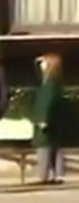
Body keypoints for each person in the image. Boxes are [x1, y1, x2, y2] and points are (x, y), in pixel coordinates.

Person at [31, 52, 73, 183]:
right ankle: (56, 174)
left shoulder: (49, 85)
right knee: (54, 148)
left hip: (46, 123)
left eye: (43, 63)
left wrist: (43, 119)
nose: (41, 65)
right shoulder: (53, 84)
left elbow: (47, 103)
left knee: (44, 148)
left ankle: (44, 176)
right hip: (51, 123)